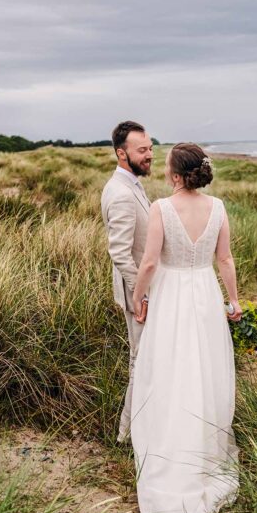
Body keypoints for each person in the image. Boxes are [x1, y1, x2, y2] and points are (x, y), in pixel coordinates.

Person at [130, 142, 242, 513]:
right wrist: (234, 301)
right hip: (205, 294)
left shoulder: (161, 208)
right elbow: (224, 259)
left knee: (169, 366)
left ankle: (170, 448)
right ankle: (202, 451)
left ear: (176, 174)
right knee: (204, 367)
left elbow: (148, 261)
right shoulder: (219, 207)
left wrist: (138, 296)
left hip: (172, 294)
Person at [101, 121, 153, 442]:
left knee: (144, 360)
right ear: (122, 153)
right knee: (139, 362)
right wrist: (141, 295)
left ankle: (137, 429)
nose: (149, 155)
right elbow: (120, 253)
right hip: (136, 297)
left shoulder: (131, 183)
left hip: (140, 294)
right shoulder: (120, 193)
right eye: (142, 150)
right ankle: (126, 435)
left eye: (150, 148)